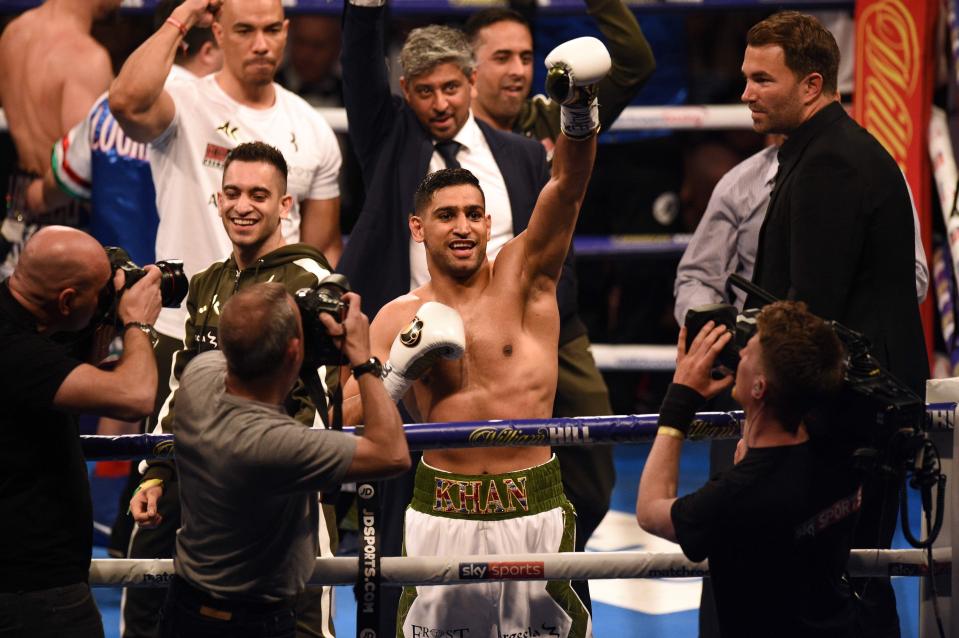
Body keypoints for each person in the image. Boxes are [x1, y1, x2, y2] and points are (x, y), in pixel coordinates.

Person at [342, 37, 608, 637]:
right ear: (418, 228)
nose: (462, 227)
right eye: (445, 215)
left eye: (472, 214)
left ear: (489, 222)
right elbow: (347, 415)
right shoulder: (394, 317)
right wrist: (397, 374)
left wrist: (579, 110)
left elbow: (567, 190)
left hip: (534, 504)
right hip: (442, 508)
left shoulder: (526, 278)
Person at [740, 13, 928, 635]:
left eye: (763, 79)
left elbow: (809, 314)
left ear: (812, 84)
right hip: (851, 415)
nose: (746, 94)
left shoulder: (832, 164)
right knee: (845, 585)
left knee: (838, 593)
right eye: (746, 78)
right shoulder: (821, 151)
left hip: (845, 422)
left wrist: (773, 417)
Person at [463, 3, 653, 571]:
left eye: (526, 56)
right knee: (464, 466)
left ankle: (553, 566)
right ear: (470, 69)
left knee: (593, 477)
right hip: (471, 329)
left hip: (555, 327)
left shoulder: (551, 120)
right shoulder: (444, 131)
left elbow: (633, 65)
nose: (519, 69)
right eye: (503, 57)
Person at [126, 142, 340, 638]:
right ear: (218, 200)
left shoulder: (311, 282)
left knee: (305, 629)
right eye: (233, 193)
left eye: (259, 195)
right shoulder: (206, 284)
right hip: (206, 497)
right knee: (157, 615)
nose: (243, 206)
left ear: (286, 205)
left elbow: (319, 401)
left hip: (286, 496)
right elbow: (179, 388)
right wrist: (156, 471)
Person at [152, 281, 409, 638]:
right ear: (292, 353)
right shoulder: (276, 444)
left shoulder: (199, 377)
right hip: (252, 623)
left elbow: (244, 345)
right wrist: (362, 360)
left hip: (186, 609)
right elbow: (392, 453)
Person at [109, 0, 343, 386]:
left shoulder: (311, 126)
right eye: (244, 30)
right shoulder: (184, 102)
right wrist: (184, 15)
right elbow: (125, 101)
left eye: (271, 30)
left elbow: (322, 249)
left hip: (276, 337)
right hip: (184, 326)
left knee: (275, 448)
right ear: (217, 33)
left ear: (286, 31)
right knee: (174, 447)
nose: (261, 44)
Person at [636, 301, 858, 637]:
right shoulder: (841, 457)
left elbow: (650, 511)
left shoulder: (737, 496)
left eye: (748, 351)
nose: (739, 355)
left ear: (759, 387)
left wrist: (680, 400)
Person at [0, 225, 162, 638]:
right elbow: (137, 395)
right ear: (68, 300)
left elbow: (66, 369)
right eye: (97, 294)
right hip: (35, 591)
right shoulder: (18, 352)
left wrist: (100, 313)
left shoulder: (24, 321)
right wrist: (136, 324)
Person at [673, 138, 929, 324]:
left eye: (763, 81)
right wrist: (721, 338)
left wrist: (840, 304)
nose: (748, 95)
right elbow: (698, 277)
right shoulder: (740, 185)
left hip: (847, 358)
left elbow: (913, 281)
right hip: (755, 361)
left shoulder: (876, 176)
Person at [0, 0, 121, 276]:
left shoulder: (14, 32)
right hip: (65, 231)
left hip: (16, 216)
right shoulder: (86, 59)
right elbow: (80, 169)